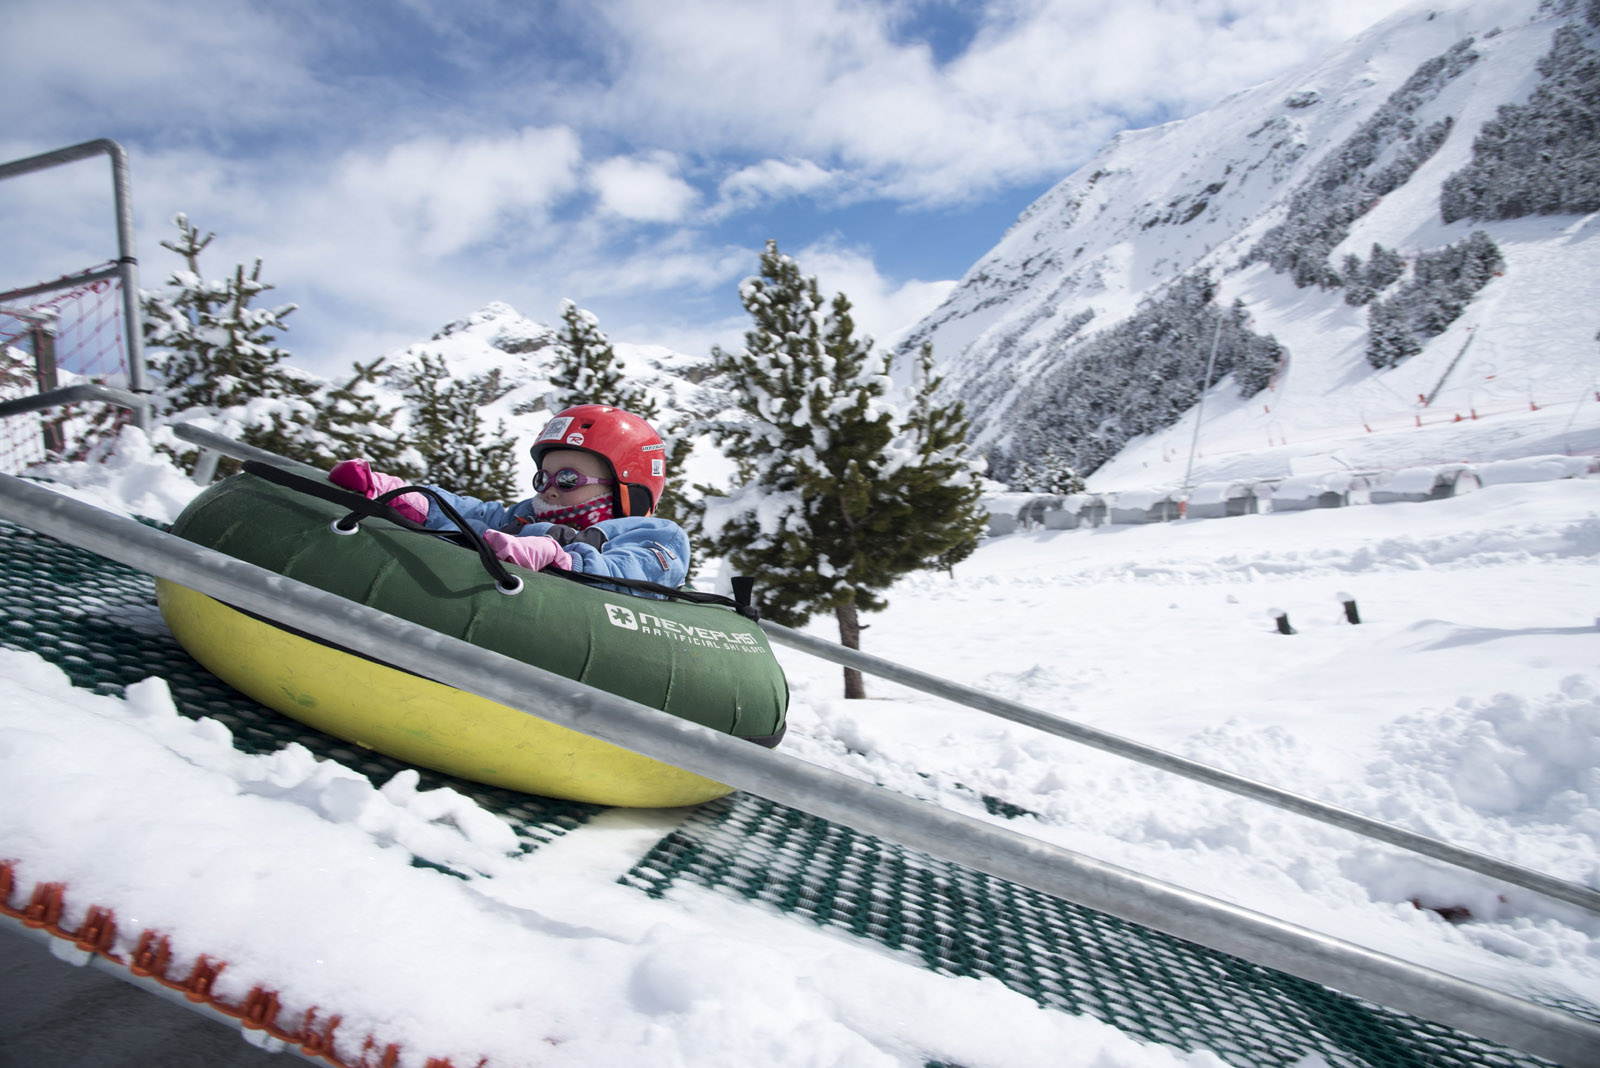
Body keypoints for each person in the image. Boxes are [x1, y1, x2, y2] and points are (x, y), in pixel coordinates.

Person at [329, 404, 688, 593]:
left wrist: (563, 558)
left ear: (625, 490)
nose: (549, 488)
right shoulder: (524, 519)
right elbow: (475, 514)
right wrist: (401, 495)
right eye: (542, 477)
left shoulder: (655, 536)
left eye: (567, 478)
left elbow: (631, 573)